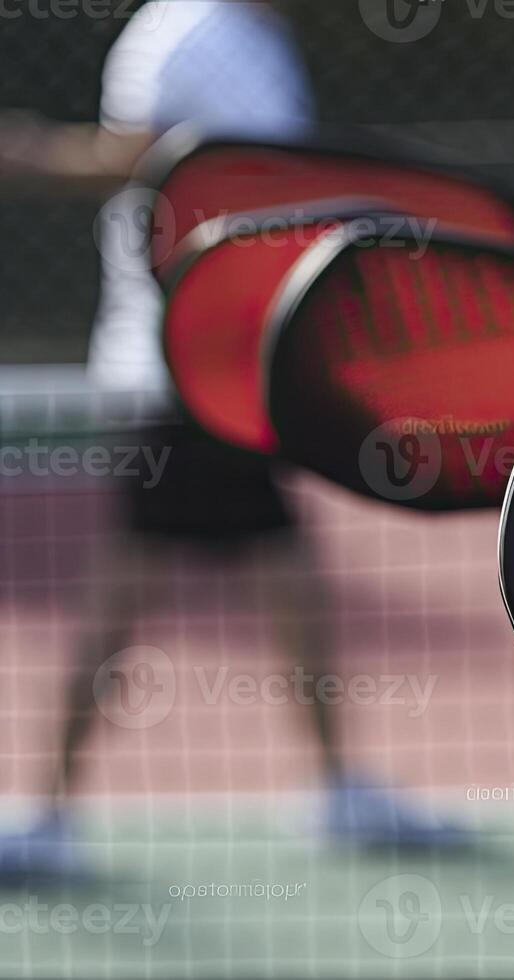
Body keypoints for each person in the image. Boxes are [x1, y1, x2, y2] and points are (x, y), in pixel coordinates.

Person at [0, 0, 463, 879]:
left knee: (275, 558)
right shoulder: (184, 31)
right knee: (137, 575)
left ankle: (336, 787)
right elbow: (133, 164)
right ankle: (45, 813)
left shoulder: (258, 38)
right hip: (175, 361)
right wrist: (25, 152)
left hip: (235, 355)